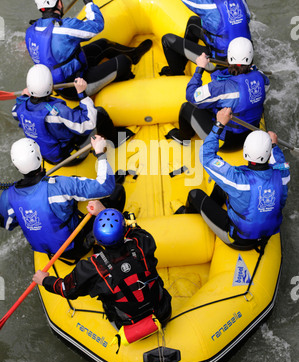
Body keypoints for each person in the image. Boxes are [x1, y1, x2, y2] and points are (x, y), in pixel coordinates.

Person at [33, 201, 172, 348]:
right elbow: (135, 230)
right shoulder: (143, 243)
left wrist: (44, 280)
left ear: (97, 240)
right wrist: (103, 211)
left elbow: (66, 289)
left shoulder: (91, 268)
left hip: (126, 323)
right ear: (123, 231)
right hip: (162, 311)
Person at [180, 107, 290, 250]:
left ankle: (185, 217)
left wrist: (219, 125)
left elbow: (206, 157)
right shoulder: (283, 173)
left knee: (194, 195)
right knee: (221, 187)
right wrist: (274, 145)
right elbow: (281, 163)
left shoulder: (238, 180)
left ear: (245, 153)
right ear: (269, 155)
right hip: (266, 234)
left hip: (238, 238)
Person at [26, 0, 152, 100]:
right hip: (75, 86)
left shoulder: (31, 31)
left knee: (103, 44)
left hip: (64, 77)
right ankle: (124, 79)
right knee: (123, 61)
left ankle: (134, 54)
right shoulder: (65, 27)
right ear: (59, 4)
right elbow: (96, 25)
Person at [0, 135, 115, 260]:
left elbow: (7, 224)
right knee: (116, 194)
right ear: (39, 157)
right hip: (75, 246)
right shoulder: (60, 186)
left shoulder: (7, 196)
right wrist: (99, 152)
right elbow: (106, 187)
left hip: (50, 251)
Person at [12, 64, 133, 164]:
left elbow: (14, 113)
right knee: (99, 113)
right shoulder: (57, 111)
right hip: (70, 156)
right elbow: (88, 124)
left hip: (47, 156)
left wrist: (23, 96)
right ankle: (116, 140)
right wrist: (82, 93)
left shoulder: (20, 107)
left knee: (73, 115)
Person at [166, 37, 269, 150]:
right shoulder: (260, 76)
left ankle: (183, 138)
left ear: (229, 57)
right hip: (252, 133)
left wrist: (200, 68)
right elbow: (264, 84)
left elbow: (191, 95)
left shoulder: (221, 88)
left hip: (228, 142)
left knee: (186, 108)